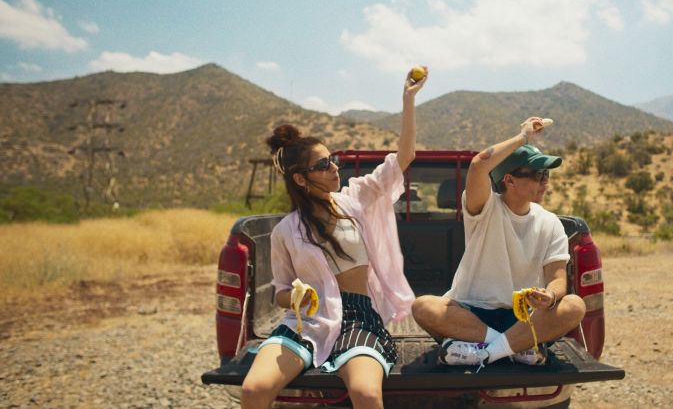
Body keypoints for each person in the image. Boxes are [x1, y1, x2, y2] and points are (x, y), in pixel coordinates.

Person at [240, 69, 428, 409]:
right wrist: (296, 297)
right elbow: (280, 291)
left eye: (333, 160)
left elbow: (404, 157)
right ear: (301, 179)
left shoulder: (356, 199)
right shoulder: (286, 230)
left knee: (366, 393)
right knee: (254, 390)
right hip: (306, 321)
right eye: (324, 164)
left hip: (359, 317)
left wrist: (408, 99)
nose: (334, 168)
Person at [411, 117, 586, 368]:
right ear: (509, 180)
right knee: (423, 307)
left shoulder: (550, 222)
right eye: (538, 174)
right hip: (471, 314)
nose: (545, 181)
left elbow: (558, 279)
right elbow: (478, 165)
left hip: (523, 318)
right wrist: (523, 137)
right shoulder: (486, 208)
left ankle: (485, 352)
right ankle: (517, 349)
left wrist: (549, 296)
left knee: (574, 306)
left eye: (546, 174)